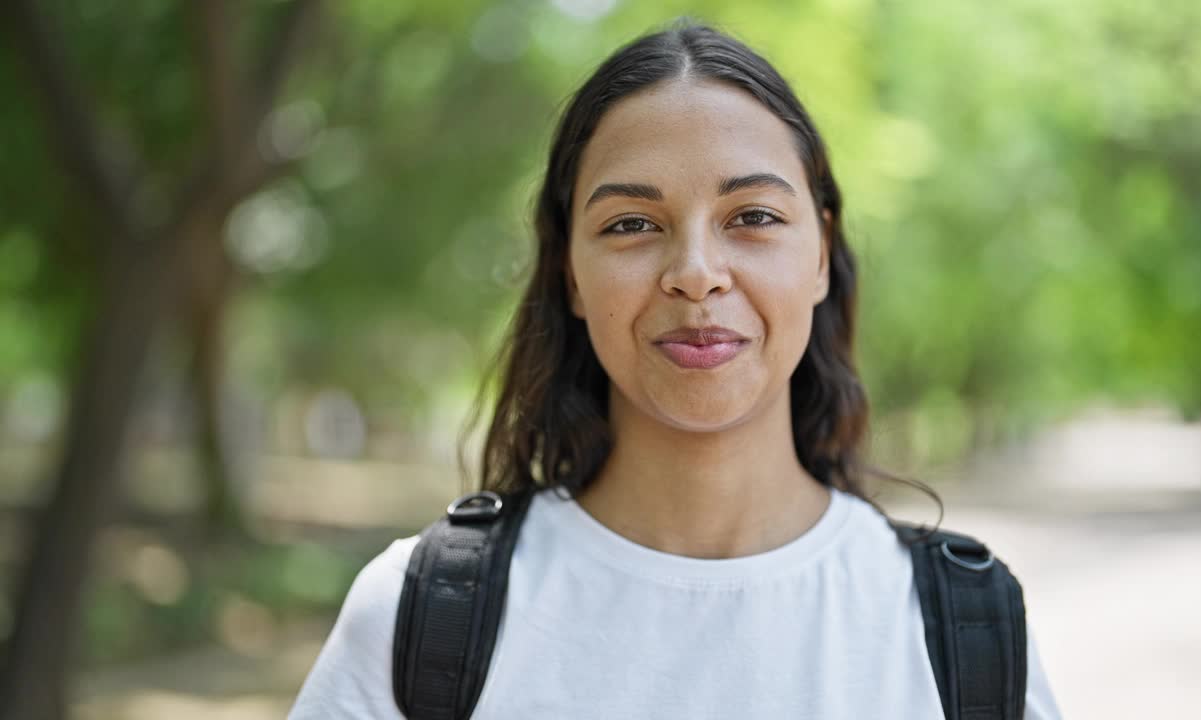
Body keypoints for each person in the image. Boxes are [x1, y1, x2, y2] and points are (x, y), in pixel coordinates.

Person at [289, 20, 1062, 719]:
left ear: (821, 253)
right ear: (569, 274)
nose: (696, 274)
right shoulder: (419, 616)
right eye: (631, 224)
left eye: (753, 217)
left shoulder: (967, 630)